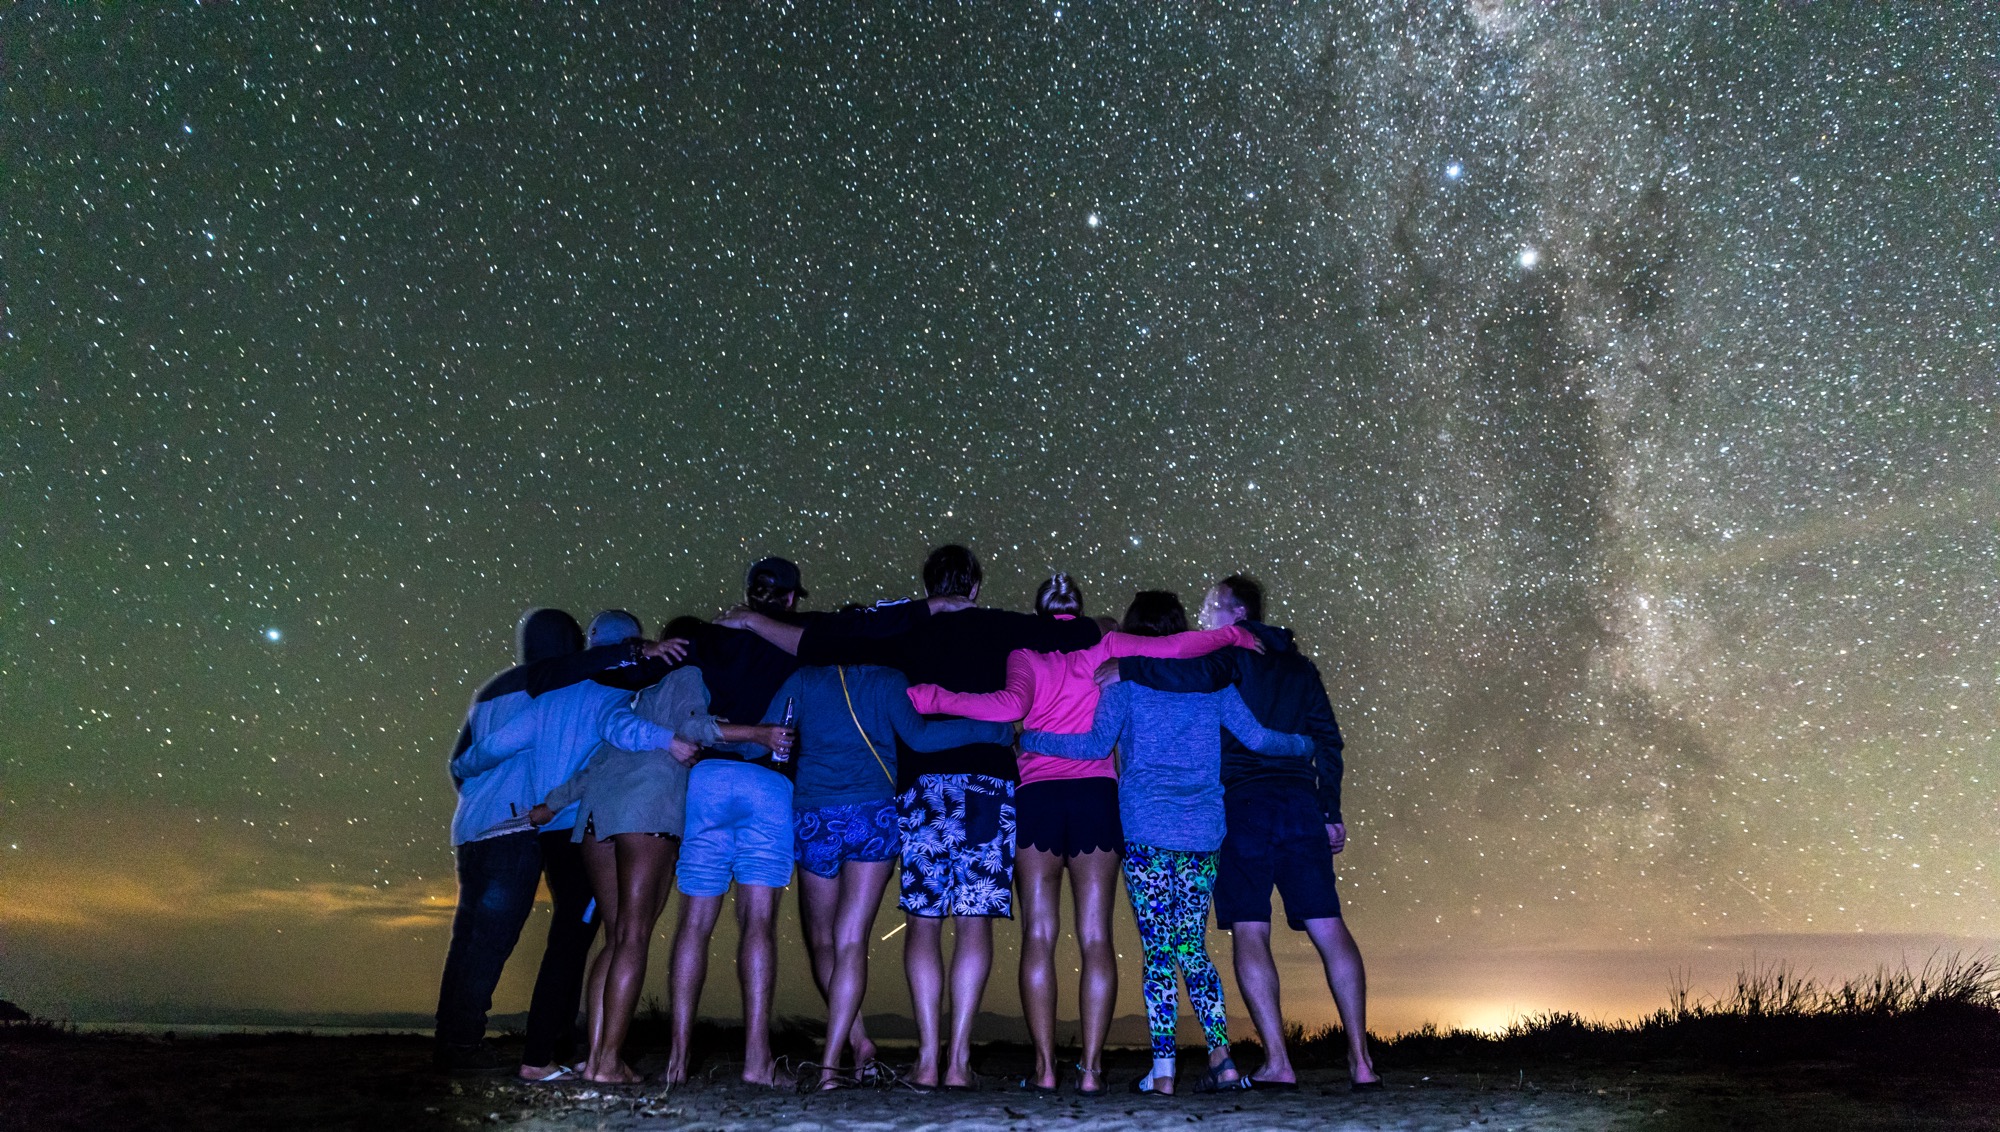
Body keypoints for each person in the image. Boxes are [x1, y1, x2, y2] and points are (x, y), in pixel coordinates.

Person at [721, 545, 1100, 1089]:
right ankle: (959, 1060)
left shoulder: (902, 631)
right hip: (986, 786)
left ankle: (925, 1058)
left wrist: (753, 620)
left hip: (922, 788)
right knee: (973, 920)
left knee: (923, 923)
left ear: (928, 586)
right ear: (974, 588)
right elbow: (1075, 633)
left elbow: (818, 638)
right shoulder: (1003, 628)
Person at [905, 573, 1261, 1094]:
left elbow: (1007, 708)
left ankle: (1047, 1070)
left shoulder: (1024, 653)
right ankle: (1091, 1072)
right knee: (1096, 937)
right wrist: (1230, 636)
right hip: (1096, 799)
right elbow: (1177, 645)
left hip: (1039, 800)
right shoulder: (1106, 645)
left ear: (1041, 611)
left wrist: (934, 698)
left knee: (1039, 935)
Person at [1023, 591, 1315, 1095]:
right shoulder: (1210, 681)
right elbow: (1260, 739)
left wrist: (1032, 738)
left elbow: (1094, 746)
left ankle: (1163, 1072)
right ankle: (1221, 1060)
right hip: (1202, 830)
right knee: (1192, 948)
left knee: (1158, 951)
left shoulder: (1125, 677)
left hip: (1146, 830)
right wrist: (1307, 744)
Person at [1117, 575, 1379, 1090]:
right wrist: (1331, 808)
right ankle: (1362, 1062)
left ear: (1235, 613)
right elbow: (1329, 738)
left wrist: (1124, 664)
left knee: (1251, 929)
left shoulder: (1223, 661)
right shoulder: (1301, 667)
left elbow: (1170, 674)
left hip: (1242, 806)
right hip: (1302, 803)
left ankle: (1280, 1061)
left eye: (1210, 608)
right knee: (1329, 925)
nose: (1201, 618)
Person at [435, 609, 684, 1079]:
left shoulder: (508, 690)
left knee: (473, 940)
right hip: (540, 824)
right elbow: (613, 732)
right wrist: (668, 733)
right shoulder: (571, 685)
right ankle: (521, 1051)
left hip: (489, 826)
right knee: (556, 939)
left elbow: (475, 755)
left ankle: (466, 1041)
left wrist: (467, 774)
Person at [762, 659, 1013, 1090]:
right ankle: (939, 1062)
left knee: (825, 938)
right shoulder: (889, 679)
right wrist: (993, 731)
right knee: (856, 937)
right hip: (877, 813)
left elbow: (766, 739)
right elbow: (920, 735)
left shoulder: (805, 679)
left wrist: (729, 734)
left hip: (817, 816)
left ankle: (851, 1052)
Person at [521, 616, 735, 1084]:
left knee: (616, 938)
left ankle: (600, 1054)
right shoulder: (687, 677)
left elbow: (597, 760)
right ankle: (605, 1064)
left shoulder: (632, 696)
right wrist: (754, 733)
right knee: (635, 937)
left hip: (598, 814)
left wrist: (548, 806)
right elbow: (697, 726)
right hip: (647, 813)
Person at [658, 558, 812, 1087]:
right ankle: (756, 1061)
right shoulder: (798, 638)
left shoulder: (706, 638)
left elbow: (667, 673)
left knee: (694, 923)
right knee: (759, 923)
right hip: (768, 781)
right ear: (791, 599)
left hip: (710, 775)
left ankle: (676, 1063)